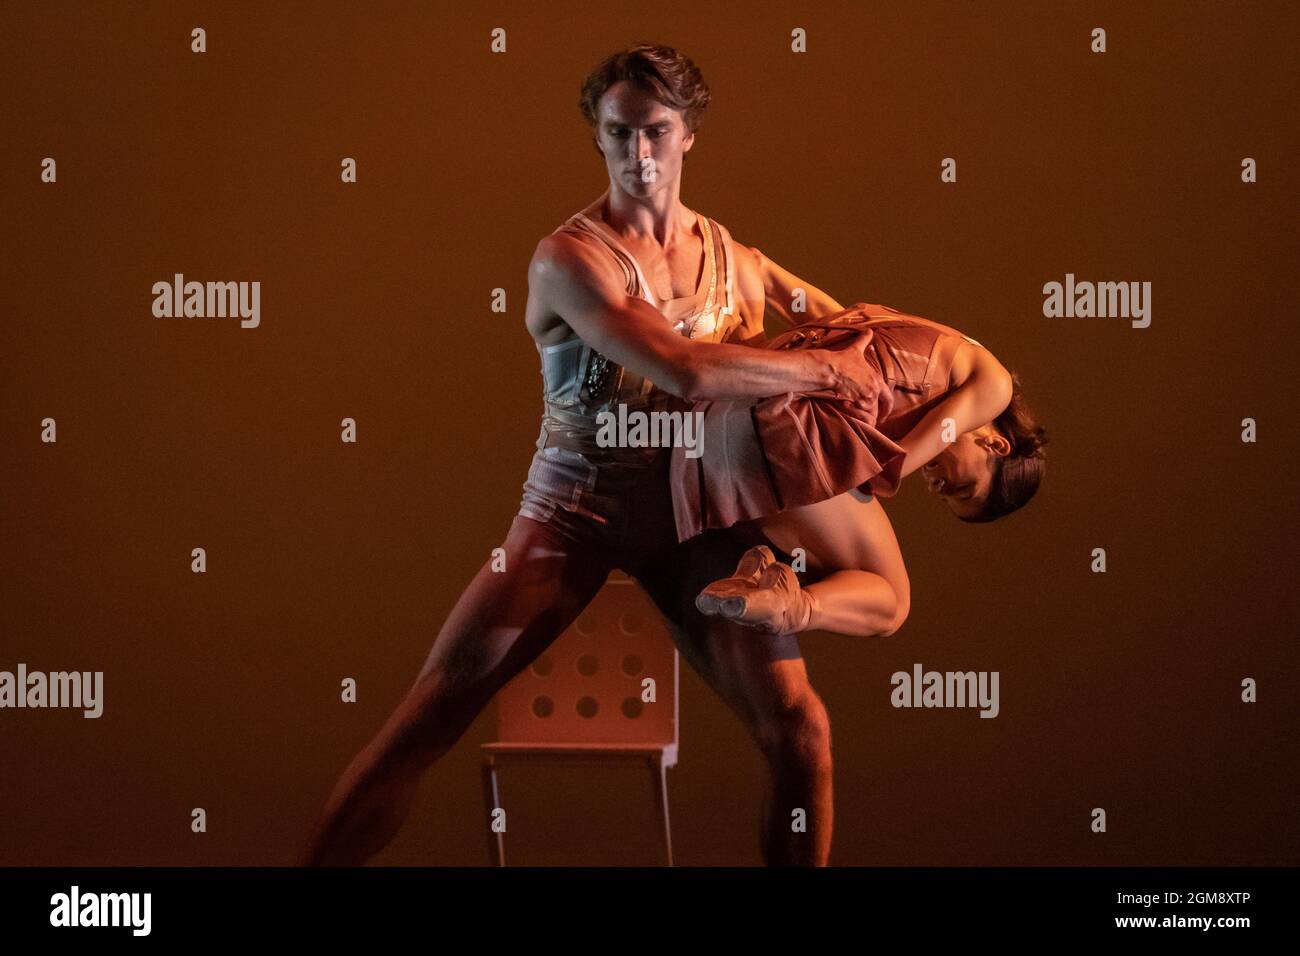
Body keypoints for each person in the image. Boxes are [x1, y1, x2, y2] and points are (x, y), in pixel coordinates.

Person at [299, 43, 884, 867]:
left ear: (688, 136)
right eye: (618, 134)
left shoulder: (736, 259)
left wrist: (965, 406)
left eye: (654, 132)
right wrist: (827, 371)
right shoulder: (568, 258)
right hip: (576, 513)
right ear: (599, 137)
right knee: (424, 724)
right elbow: (683, 364)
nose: (637, 154)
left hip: (695, 519)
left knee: (802, 726)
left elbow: (866, 334)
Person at [685, 302, 1049, 638]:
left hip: (734, 397)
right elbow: (884, 469)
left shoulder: (894, 323)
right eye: (962, 488)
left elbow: (770, 275)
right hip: (780, 432)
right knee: (892, 599)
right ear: (997, 446)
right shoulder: (992, 386)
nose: (939, 488)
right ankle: (792, 608)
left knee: (837, 557)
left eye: (946, 497)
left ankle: (758, 574)